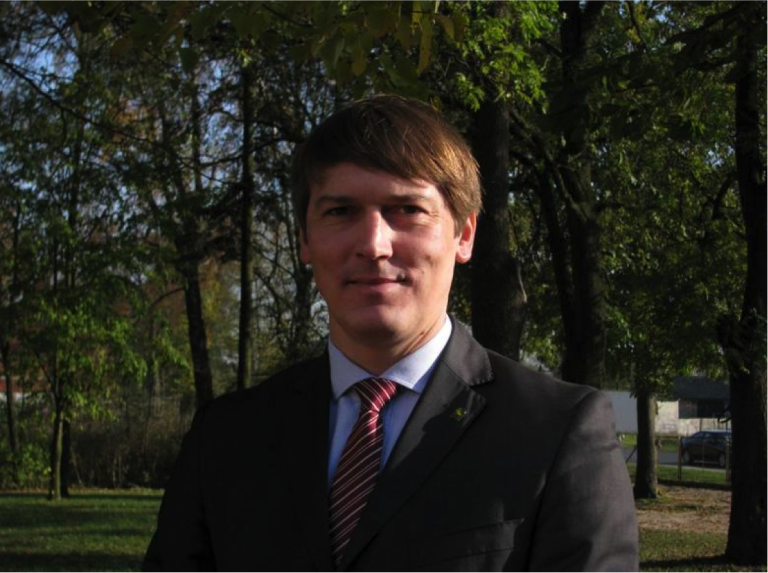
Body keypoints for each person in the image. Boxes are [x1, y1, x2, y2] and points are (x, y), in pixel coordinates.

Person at [143, 95, 638, 572]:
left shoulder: (556, 432)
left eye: (408, 209)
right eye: (340, 211)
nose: (373, 244)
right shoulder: (225, 440)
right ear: (305, 239)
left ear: (464, 234)